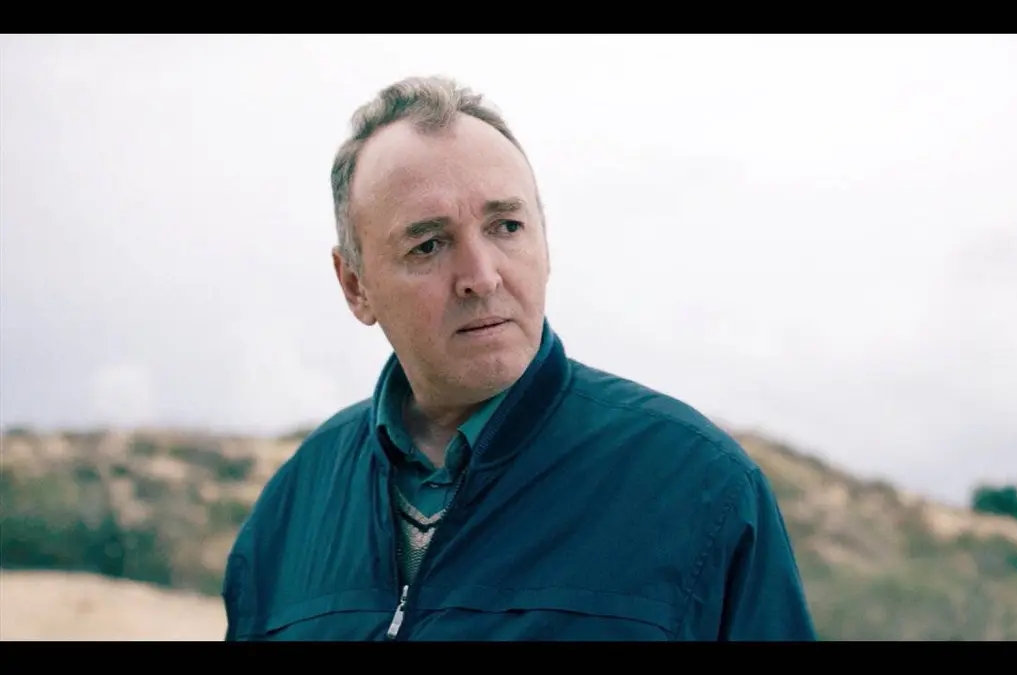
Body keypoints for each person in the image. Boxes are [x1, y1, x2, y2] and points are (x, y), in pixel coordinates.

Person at [221, 75, 818, 642]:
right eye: (428, 244)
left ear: (545, 244)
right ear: (355, 285)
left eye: (506, 226)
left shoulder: (701, 487)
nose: (481, 277)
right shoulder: (291, 508)